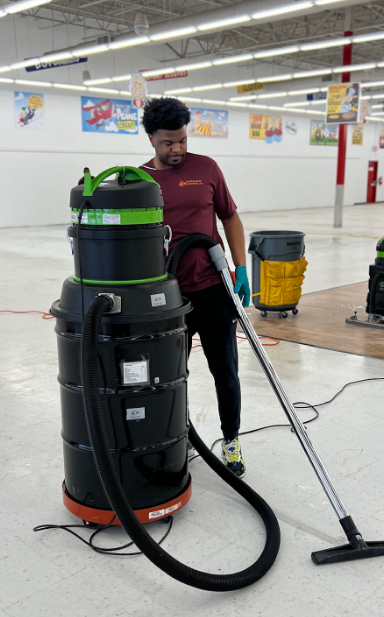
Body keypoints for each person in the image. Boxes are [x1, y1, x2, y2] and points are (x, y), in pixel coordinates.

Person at [139, 97, 251, 478]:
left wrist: (240, 267)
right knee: (172, 374)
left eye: (182, 140)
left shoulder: (206, 169)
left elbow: (230, 217)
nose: (177, 150)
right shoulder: (139, 181)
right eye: (168, 143)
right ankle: (179, 434)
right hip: (168, 297)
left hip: (213, 289)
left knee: (226, 371)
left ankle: (231, 439)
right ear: (151, 137)